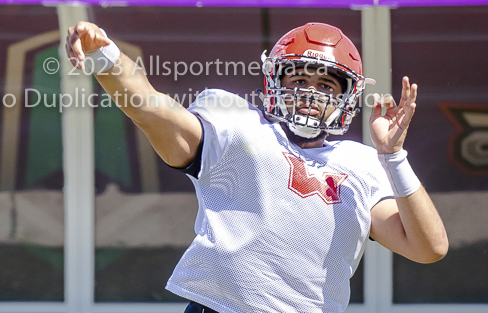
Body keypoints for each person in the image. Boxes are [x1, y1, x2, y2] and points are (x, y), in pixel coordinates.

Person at [65, 20, 448, 313]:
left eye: (327, 85)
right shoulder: (238, 123)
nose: (311, 93)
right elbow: (151, 108)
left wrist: (394, 156)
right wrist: (107, 57)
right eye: (298, 78)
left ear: (347, 98)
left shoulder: (363, 163)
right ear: (274, 81)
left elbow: (429, 248)